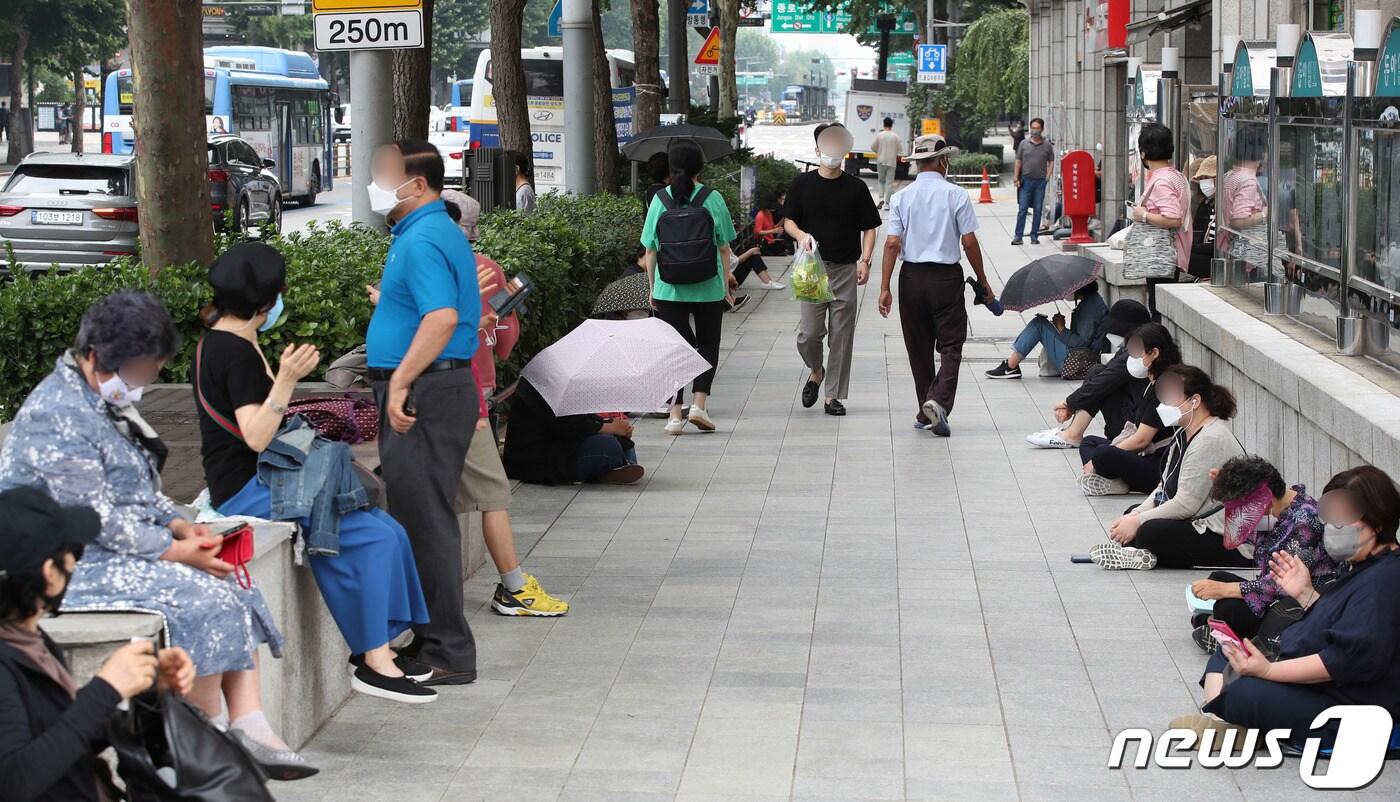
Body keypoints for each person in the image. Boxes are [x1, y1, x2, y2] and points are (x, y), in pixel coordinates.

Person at [0, 292, 312, 778]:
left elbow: (132, 484)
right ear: (95, 358)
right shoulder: (56, 415)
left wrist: (177, 523)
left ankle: (247, 724)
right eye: (142, 371)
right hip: (67, 559)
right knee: (200, 598)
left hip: (110, 544)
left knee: (227, 574)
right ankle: (201, 740)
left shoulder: (98, 398)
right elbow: (96, 517)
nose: (145, 383)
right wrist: (176, 551)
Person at [193, 241, 436, 705]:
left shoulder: (225, 340)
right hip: (250, 489)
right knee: (371, 536)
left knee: (387, 530)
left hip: (267, 478)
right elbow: (257, 437)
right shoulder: (235, 352)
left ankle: (382, 645)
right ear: (266, 302)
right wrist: (285, 381)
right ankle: (372, 661)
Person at [364, 139, 482, 686]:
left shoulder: (424, 237)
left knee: (427, 521)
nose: (377, 183)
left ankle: (448, 650)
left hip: (425, 393)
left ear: (418, 184)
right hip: (435, 389)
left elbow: (441, 318)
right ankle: (431, 636)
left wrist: (400, 384)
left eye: (386, 174)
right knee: (418, 516)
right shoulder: (429, 232)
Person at [1177, 465, 1400, 749]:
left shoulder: (1386, 579)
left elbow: (1343, 660)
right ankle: (1236, 725)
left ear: (1378, 523)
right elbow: (1342, 620)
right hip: (1320, 682)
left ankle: (1240, 722)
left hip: (1350, 706)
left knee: (1244, 689)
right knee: (1230, 655)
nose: (1333, 528)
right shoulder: (1364, 566)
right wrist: (1306, 594)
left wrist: (1268, 672)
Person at [0, 486, 198, 802]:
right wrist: (104, 691)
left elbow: (63, 742)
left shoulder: (31, 638)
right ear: (50, 573)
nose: (76, 564)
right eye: (74, 552)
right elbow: (13, 782)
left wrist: (142, 688)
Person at [457, 256, 569, 617]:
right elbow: (501, 343)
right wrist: (493, 315)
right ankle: (515, 588)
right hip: (461, 397)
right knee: (494, 496)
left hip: (429, 397)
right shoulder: (483, 269)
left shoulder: (413, 263)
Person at [879, 134, 993, 437]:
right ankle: (938, 402)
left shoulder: (902, 197)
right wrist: (983, 280)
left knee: (918, 348)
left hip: (911, 278)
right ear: (943, 161)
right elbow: (968, 241)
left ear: (917, 164)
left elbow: (892, 244)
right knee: (951, 345)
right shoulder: (955, 194)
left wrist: (885, 287)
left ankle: (924, 410)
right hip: (946, 278)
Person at [1090, 365, 1246, 571]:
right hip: (1195, 520)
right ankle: (1140, 552)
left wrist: (1139, 522)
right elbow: (1162, 489)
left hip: (1225, 536)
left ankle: (1144, 553)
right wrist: (1135, 514)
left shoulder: (1211, 438)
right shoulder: (1183, 434)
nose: (1163, 405)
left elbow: (1186, 505)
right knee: (1134, 516)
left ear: (1195, 401)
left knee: (1150, 532)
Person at [1188, 455, 1337, 650]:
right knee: (1218, 578)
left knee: (1229, 606)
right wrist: (1227, 486)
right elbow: (1246, 535)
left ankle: (1229, 632)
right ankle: (1220, 627)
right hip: (1273, 593)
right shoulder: (1279, 511)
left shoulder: (1304, 522)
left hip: (1295, 606)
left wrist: (1224, 590)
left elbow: (1282, 584)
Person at [784, 122, 882, 417]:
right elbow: (788, 221)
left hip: (844, 269)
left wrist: (865, 260)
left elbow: (870, 228)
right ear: (817, 149)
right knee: (810, 334)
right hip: (811, 269)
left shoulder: (856, 187)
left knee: (841, 334)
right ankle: (816, 370)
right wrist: (801, 236)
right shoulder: (802, 184)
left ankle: (833, 396)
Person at [641, 140, 738, 435]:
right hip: (707, 286)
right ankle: (699, 405)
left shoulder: (660, 199)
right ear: (701, 167)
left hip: (668, 289)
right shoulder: (713, 198)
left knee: (674, 348)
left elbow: (650, 250)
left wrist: (652, 287)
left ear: (672, 168)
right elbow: (724, 247)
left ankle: (674, 414)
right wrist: (725, 285)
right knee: (707, 343)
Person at [1026, 299, 1152, 449]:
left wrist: (1068, 403)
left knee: (1099, 377)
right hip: (1132, 417)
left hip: (1138, 428)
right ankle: (1073, 433)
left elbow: (1106, 379)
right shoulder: (1131, 348)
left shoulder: (1137, 355)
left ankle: (1073, 434)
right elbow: (1107, 373)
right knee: (1097, 372)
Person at [1075, 322, 1181, 496]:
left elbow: (1142, 440)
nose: (1131, 358)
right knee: (1089, 442)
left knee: (1102, 453)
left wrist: (1096, 460)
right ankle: (1114, 480)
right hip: (1144, 455)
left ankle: (1114, 479)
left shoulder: (1164, 387)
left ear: (1154, 353)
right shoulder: (1152, 382)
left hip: (1158, 467)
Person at [503, 379, 643, 485]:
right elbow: (565, 426)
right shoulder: (548, 384)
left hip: (562, 445)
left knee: (624, 441)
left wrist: (613, 426)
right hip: (538, 459)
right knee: (608, 445)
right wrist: (606, 428)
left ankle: (617, 466)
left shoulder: (567, 383)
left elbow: (583, 419)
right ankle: (615, 467)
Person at [1126, 123, 1191, 318]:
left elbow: (1173, 218)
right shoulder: (1176, 176)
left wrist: (1142, 215)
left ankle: (1160, 349)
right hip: (1173, 254)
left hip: (1162, 256)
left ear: (1143, 153)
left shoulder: (1161, 181)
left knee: (1158, 311)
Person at [985, 282, 1107, 379]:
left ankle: (1010, 367)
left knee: (1039, 324)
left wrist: (1061, 329)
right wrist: (1059, 327)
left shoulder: (1090, 309)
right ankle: (1011, 365)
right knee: (1040, 322)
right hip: (1078, 356)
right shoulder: (1091, 302)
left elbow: (1081, 343)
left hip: (1078, 360)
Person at [1011, 118, 1054, 245]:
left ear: (1042, 129)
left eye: (1037, 128)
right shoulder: (1023, 144)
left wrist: (1047, 176)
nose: (1035, 131)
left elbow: (1051, 161)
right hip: (1025, 181)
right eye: (1033, 128)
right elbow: (1018, 161)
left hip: (1040, 182)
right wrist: (1015, 177)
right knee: (1022, 209)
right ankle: (1018, 236)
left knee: (1038, 209)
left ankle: (1034, 236)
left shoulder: (1047, 146)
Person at [1187, 155, 1217, 280]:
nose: (1204, 182)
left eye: (1207, 178)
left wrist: (1191, 248)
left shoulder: (1225, 205)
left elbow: (1217, 246)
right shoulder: (1212, 204)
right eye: (1202, 179)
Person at [871, 117, 903, 208]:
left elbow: (873, 147)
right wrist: (893, 152)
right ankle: (887, 204)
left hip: (881, 161)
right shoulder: (895, 136)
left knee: (881, 181)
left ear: (884, 124)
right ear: (892, 125)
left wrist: (879, 151)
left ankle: (881, 198)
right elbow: (900, 149)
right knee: (889, 183)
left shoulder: (880, 135)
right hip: (892, 162)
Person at [753, 191, 793, 256]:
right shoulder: (760, 215)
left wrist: (783, 220)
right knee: (783, 248)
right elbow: (757, 231)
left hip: (771, 241)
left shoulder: (769, 214)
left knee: (787, 241)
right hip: (764, 243)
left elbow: (772, 227)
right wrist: (773, 231)